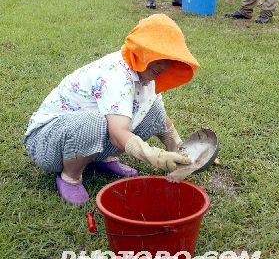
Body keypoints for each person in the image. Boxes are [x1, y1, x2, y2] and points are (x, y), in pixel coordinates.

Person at [24, 14, 199, 206]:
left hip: (80, 136)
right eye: (160, 56)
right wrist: (156, 157)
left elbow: (159, 118)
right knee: (95, 122)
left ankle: (100, 158)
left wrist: (182, 150)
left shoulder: (146, 76)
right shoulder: (115, 74)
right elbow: (118, 134)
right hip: (47, 143)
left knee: (153, 107)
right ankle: (70, 176)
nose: (164, 65)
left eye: (170, 59)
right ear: (142, 49)